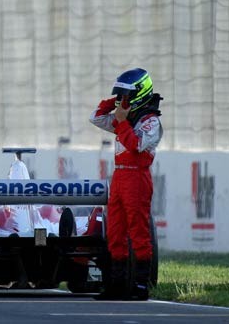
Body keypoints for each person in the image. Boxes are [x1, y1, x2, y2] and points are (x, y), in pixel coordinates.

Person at [89, 68, 163, 300]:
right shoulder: (125, 117)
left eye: (126, 95)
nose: (123, 101)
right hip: (119, 177)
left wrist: (121, 122)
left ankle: (141, 286)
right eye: (121, 96)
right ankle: (116, 285)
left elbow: (136, 145)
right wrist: (115, 101)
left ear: (140, 93)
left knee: (139, 232)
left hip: (137, 178)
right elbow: (96, 117)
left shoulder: (150, 121)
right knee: (115, 232)